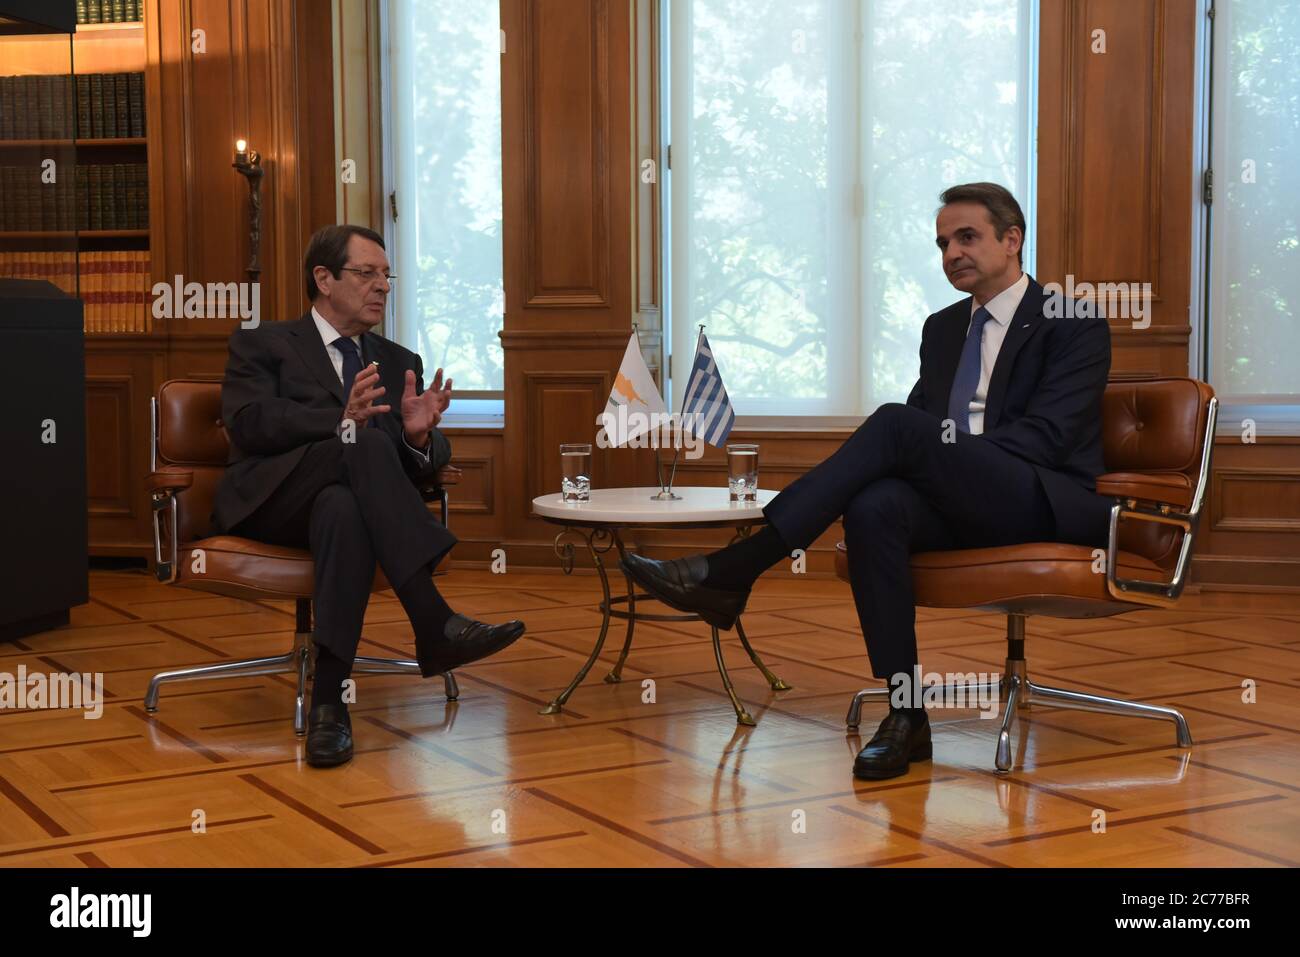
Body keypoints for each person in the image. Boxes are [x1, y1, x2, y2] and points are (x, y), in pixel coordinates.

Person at [622, 183, 1113, 780]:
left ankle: (738, 568)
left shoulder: (1073, 320)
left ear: (1012, 241)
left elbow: (1050, 436)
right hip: (962, 499)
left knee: (894, 427)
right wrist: (941, 458)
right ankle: (907, 714)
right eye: (941, 243)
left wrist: (954, 455)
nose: (951, 253)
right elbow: (919, 429)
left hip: (1040, 497)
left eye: (967, 237)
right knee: (877, 504)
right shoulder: (942, 327)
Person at [213, 224, 525, 768]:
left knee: (344, 506)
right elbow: (250, 423)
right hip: (274, 502)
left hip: (345, 509)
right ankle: (432, 619)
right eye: (367, 273)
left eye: (387, 276)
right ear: (324, 279)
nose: (382, 285)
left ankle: (329, 705)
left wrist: (418, 435)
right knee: (358, 443)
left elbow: (415, 456)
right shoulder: (263, 343)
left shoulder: (398, 358)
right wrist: (340, 418)